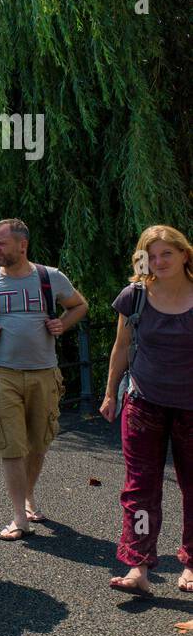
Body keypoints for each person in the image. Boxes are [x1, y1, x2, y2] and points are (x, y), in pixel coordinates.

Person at [0, 219, 88, 540]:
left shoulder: (49, 277)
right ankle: (19, 517)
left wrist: (63, 324)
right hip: (1, 375)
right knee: (9, 443)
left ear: (22, 245)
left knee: (39, 441)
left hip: (45, 372)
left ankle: (28, 498)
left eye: (0, 243)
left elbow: (80, 305)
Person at [99, 225, 193, 597]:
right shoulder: (135, 296)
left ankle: (190, 564)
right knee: (140, 488)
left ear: (185, 254)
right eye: (151, 255)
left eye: (166, 253)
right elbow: (121, 347)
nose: (158, 261)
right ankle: (138, 566)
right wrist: (110, 393)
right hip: (143, 402)